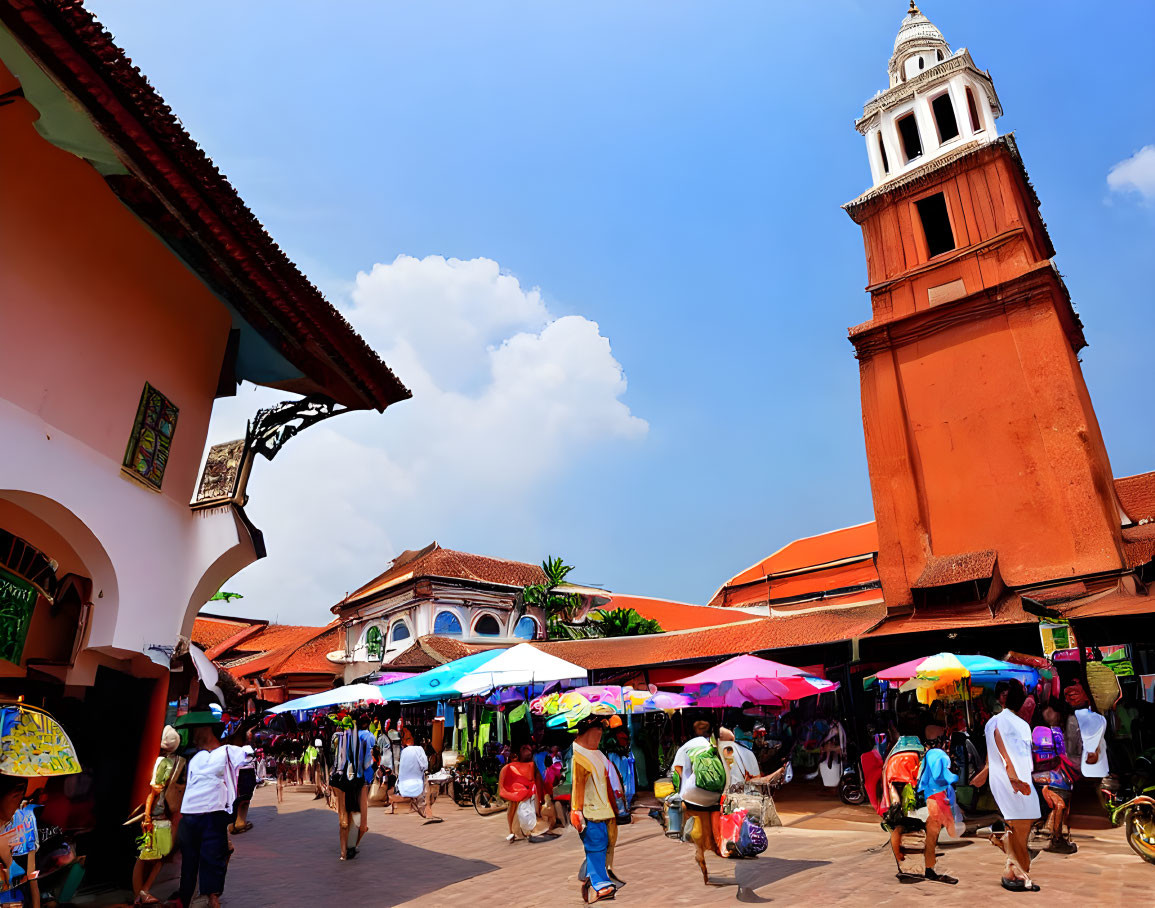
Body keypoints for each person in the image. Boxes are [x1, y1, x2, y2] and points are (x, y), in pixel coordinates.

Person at [177, 713, 250, 908]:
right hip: (190, 812)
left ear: (207, 729)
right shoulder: (196, 757)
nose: (193, 736)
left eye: (196, 731)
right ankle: (185, 899)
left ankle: (212, 898)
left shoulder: (227, 751)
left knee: (212, 857)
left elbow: (247, 754)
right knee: (189, 861)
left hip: (213, 811)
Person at [982, 680, 1041, 892]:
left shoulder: (1021, 724)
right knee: (1021, 825)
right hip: (1010, 782)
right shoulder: (998, 722)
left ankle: (1011, 867)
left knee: (1022, 826)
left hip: (1020, 780)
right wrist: (1014, 780)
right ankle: (1019, 873)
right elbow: (1001, 754)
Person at [570, 716, 626, 904]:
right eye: (596, 730)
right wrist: (576, 811)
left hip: (605, 809)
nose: (600, 735)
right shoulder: (579, 756)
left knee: (606, 843)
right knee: (596, 844)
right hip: (590, 811)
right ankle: (601, 885)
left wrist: (617, 805)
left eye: (601, 730)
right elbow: (577, 786)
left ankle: (591, 876)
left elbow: (607, 781)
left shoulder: (598, 754)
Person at [131, 724, 185, 905]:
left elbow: (154, 791)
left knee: (149, 855)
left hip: (157, 812)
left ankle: (141, 893)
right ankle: (142, 892)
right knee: (155, 855)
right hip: (162, 813)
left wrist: (146, 815)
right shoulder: (177, 761)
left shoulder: (161, 762)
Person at [879, 716, 927, 883]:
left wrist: (895, 804)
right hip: (910, 794)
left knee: (899, 829)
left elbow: (890, 780)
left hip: (899, 794)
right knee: (907, 830)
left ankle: (902, 863)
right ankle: (907, 864)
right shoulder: (919, 749)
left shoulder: (895, 751)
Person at [916, 730, 959, 884]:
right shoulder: (938, 755)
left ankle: (930, 865)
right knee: (933, 832)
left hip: (932, 794)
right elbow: (938, 775)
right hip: (937, 795)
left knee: (933, 832)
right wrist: (954, 777)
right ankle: (929, 868)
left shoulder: (928, 755)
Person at [0, 775, 38, 908]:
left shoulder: (25, 819)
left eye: (21, 796)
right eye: (15, 796)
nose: (19, 803)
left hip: (15, 897)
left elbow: (31, 874)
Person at [498, 743, 548, 842]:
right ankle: (514, 832)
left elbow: (538, 783)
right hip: (518, 795)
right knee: (514, 811)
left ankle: (517, 832)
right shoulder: (510, 767)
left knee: (521, 812)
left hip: (527, 795)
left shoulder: (531, 766)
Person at [397, 732, 439, 821]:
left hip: (403, 782)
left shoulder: (405, 750)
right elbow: (424, 765)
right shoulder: (419, 749)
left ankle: (419, 808)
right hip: (415, 781)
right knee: (424, 792)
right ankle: (427, 813)